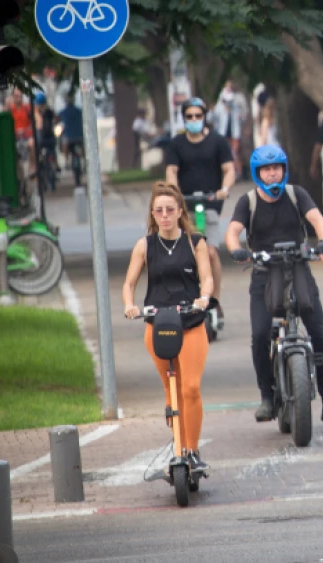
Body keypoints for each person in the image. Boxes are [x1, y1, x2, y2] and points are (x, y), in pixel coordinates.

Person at [224, 144, 323, 425]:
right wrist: (236, 250)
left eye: (277, 168)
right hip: (263, 275)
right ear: (258, 173)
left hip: (298, 271)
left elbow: (317, 219)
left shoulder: (296, 194)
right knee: (259, 335)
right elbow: (233, 231)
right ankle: (267, 397)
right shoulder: (248, 202)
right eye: (267, 170)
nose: (273, 174)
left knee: (320, 334)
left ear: (283, 169)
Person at [122, 182, 214, 472]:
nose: (164, 215)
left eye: (170, 210)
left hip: (191, 323)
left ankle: (192, 451)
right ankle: (178, 446)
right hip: (158, 325)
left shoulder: (194, 242)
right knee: (171, 389)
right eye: (159, 210)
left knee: (191, 388)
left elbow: (207, 277)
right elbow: (129, 283)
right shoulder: (144, 245)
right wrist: (130, 304)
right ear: (152, 214)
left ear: (179, 212)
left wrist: (204, 297)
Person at [164, 97, 232, 325]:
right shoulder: (176, 144)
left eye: (198, 116)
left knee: (210, 252)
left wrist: (224, 189)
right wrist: (174, 193)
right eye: (189, 116)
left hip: (210, 204)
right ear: (184, 119)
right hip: (185, 207)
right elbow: (171, 171)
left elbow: (229, 169)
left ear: (204, 117)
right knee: (186, 254)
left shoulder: (218, 142)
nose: (194, 120)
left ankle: (215, 300)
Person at [213, 80, 246, 178]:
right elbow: (214, 118)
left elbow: (242, 118)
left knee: (235, 153)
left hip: (234, 133)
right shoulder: (219, 107)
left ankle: (238, 173)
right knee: (224, 153)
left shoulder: (236, 106)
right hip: (223, 134)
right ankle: (225, 173)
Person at [57, 95, 84, 186]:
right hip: (79, 137)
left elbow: (57, 118)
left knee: (65, 145)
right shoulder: (79, 111)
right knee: (82, 148)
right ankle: (83, 161)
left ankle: (66, 162)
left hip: (69, 137)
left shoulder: (64, 112)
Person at [34, 93, 59, 189]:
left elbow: (56, 119)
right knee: (39, 157)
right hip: (43, 139)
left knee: (52, 152)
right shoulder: (36, 114)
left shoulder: (48, 112)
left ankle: (55, 166)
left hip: (48, 138)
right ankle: (39, 171)